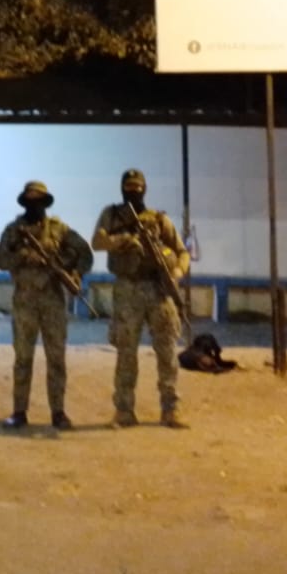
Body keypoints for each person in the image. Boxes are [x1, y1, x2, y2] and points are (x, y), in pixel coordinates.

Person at [92, 168, 192, 429]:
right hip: (128, 288)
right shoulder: (111, 214)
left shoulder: (158, 219)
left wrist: (176, 273)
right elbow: (97, 242)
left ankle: (170, 410)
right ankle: (124, 411)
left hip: (158, 289)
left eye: (137, 188)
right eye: (129, 187)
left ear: (144, 189)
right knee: (126, 352)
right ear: (122, 188)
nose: (133, 192)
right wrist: (123, 240)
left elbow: (182, 251)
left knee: (167, 352)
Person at [0, 180, 92, 430]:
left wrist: (73, 273)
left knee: (56, 358)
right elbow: (1, 260)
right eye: (30, 201)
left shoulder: (60, 230)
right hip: (25, 300)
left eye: (38, 201)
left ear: (45, 203)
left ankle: (58, 412)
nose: (34, 205)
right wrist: (24, 255)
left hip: (53, 300)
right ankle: (19, 412)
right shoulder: (13, 231)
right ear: (24, 203)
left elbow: (85, 254)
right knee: (22, 358)